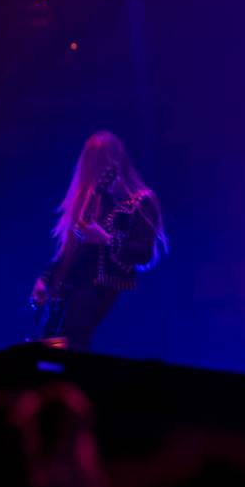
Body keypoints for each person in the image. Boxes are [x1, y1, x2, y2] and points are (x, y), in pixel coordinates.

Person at [30, 131, 167, 351]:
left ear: (116, 161)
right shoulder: (90, 200)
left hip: (105, 287)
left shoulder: (141, 201)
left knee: (74, 339)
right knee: (51, 344)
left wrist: (105, 239)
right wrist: (45, 279)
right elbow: (70, 250)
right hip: (71, 288)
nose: (95, 169)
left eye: (100, 160)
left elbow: (144, 252)